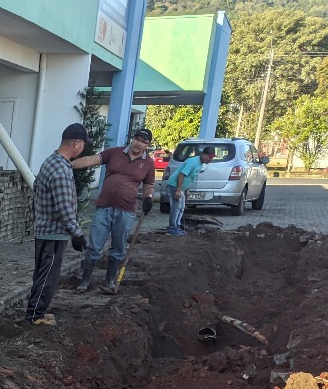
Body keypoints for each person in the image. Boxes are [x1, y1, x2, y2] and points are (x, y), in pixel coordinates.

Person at [72, 128, 157, 294]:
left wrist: (148, 198)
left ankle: (109, 281)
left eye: (143, 142)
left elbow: (149, 185)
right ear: (132, 139)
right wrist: (68, 164)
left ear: (148, 145)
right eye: (137, 139)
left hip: (126, 211)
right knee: (94, 246)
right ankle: (84, 281)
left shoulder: (148, 164)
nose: (138, 143)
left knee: (118, 248)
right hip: (104, 207)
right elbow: (91, 160)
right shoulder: (115, 153)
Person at [23, 123, 89, 326]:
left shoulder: (50, 162)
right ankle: (35, 316)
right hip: (53, 233)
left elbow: (37, 187)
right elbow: (64, 207)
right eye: (83, 145)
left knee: (42, 273)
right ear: (77, 143)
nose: (83, 149)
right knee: (48, 276)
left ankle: (37, 311)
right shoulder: (61, 170)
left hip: (45, 230)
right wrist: (76, 233)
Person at [164, 146, 216, 236]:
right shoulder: (193, 162)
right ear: (204, 154)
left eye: (212, 158)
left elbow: (190, 178)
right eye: (209, 157)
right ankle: (172, 228)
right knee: (176, 208)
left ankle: (177, 226)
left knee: (181, 208)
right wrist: (178, 190)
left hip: (181, 188)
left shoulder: (200, 163)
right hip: (174, 186)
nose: (210, 160)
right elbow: (181, 175)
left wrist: (187, 190)